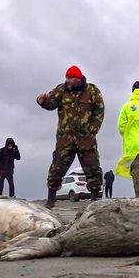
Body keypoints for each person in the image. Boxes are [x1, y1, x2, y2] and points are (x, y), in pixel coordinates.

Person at [37, 65, 104, 208]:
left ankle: (94, 199)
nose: (67, 81)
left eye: (70, 78)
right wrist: (42, 101)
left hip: (86, 138)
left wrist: (92, 130)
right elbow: (50, 103)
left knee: (92, 167)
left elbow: (99, 110)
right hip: (65, 138)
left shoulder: (92, 91)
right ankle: (50, 200)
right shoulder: (61, 90)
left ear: (77, 79)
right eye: (66, 78)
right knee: (57, 167)